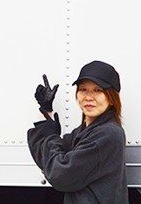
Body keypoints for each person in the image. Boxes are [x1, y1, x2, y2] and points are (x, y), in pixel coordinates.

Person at [27, 60, 128, 203]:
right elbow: (47, 158)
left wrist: (51, 138)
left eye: (98, 90)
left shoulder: (108, 134)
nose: (88, 97)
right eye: (83, 89)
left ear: (112, 98)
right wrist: (46, 110)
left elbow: (60, 175)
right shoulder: (85, 131)